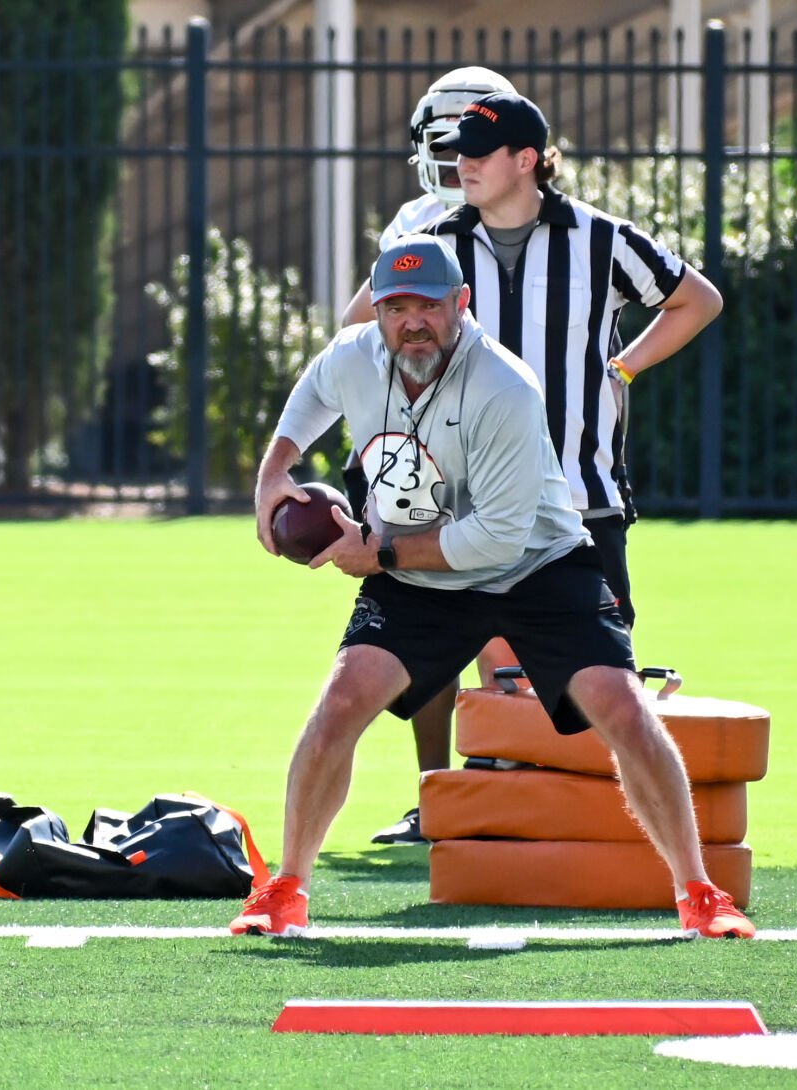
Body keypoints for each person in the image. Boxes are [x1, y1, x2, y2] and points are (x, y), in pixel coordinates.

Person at [233, 233, 754, 940]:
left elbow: (495, 540)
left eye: (428, 305)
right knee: (341, 702)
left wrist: (377, 553)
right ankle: (285, 888)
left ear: (461, 304)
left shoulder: (503, 384)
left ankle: (699, 892)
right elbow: (313, 394)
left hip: (534, 564)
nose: (411, 321)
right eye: (395, 307)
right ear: (377, 311)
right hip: (415, 570)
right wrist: (274, 471)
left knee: (624, 710)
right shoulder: (358, 354)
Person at [333, 65, 518, 846]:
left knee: (514, 623)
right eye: (445, 146)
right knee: (429, 619)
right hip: (423, 449)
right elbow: (356, 327)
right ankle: (442, 793)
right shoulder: (419, 221)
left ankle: (515, 788)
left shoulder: (528, 221)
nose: (454, 160)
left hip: (503, 441)